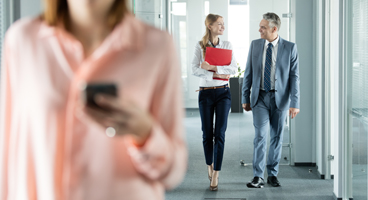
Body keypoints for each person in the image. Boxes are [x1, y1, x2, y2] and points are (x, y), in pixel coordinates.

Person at [0, 0, 187, 199]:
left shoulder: (156, 46)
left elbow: (174, 173)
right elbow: (9, 150)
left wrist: (144, 132)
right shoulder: (23, 40)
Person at [241, 12, 300, 188]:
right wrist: (245, 97)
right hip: (260, 98)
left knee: (276, 137)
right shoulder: (256, 45)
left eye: (263, 27)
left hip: (280, 99)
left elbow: (294, 77)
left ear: (274, 29)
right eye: (260, 27)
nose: (259, 30)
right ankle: (258, 176)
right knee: (260, 136)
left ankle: (272, 174)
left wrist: (295, 103)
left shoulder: (290, 47)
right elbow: (248, 73)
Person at [191, 13, 237, 191]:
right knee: (206, 133)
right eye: (219, 24)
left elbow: (232, 68)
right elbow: (194, 69)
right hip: (206, 93)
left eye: (223, 24)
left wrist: (212, 67)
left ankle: (216, 172)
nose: (222, 27)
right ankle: (208, 164)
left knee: (220, 134)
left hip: (224, 93)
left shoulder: (227, 45)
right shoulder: (200, 45)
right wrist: (216, 74)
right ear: (209, 26)